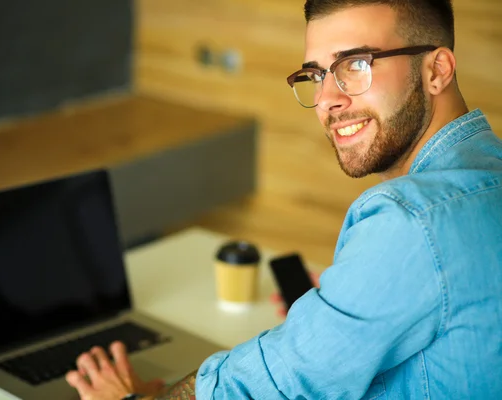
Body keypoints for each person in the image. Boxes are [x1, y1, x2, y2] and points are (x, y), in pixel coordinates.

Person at [64, 0, 502, 398]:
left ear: (437, 70)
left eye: (355, 64)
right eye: (316, 74)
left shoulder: (412, 221)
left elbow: (279, 384)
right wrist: (348, 301)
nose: (327, 99)